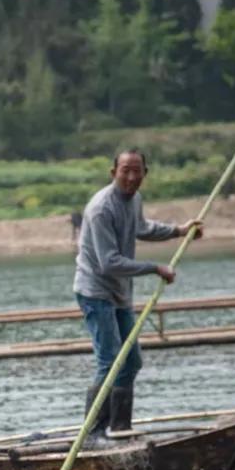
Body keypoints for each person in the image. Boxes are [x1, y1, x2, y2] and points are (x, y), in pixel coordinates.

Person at [73, 149, 202, 437]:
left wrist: (179, 231)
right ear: (113, 172)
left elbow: (142, 228)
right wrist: (156, 268)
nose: (131, 177)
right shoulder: (100, 209)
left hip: (120, 293)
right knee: (109, 363)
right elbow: (109, 263)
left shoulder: (134, 200)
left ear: (146, 172)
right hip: (95, 291)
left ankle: (119, 429)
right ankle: (93, 435)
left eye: (137, 171)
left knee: (130, 362)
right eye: (125, 170)